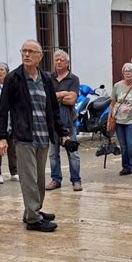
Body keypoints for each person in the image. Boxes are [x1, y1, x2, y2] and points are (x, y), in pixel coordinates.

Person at [0, 40, 69, 232]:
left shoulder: (45, 79)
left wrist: (63, 133)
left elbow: (52, 109)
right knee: (28, 179)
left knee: (39, 179)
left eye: (31, 51)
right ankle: (33, 219)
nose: (26, 54)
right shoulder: (14, 78)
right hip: (24, 137)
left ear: (40, 56)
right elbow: (3, 110)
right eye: (24, 51)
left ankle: (32, 210)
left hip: (43, 136)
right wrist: (1, 137)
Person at [46, 50, 82, 192]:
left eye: (61, 60)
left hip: (68, 121)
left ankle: (76, 180)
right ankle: (56, 179)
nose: (58, 62)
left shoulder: (73, 79)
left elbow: (72, 99)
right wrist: (62, 94)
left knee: (72, 152)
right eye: (56, 60)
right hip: (53, 121)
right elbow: (47, 98)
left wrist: (56, 97)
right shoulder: (49, 78)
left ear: (67, 62)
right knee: (53, 153)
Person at [109, 63, 132, 178]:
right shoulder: (117, 86)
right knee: (123, 146)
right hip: (119, 120)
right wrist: (110, 118)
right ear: (123, 73)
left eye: (130, 71)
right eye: (126, 71)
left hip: (131, 121)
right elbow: (112, 103)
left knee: (130, 145)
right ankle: (126, 167)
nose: (128, 73)